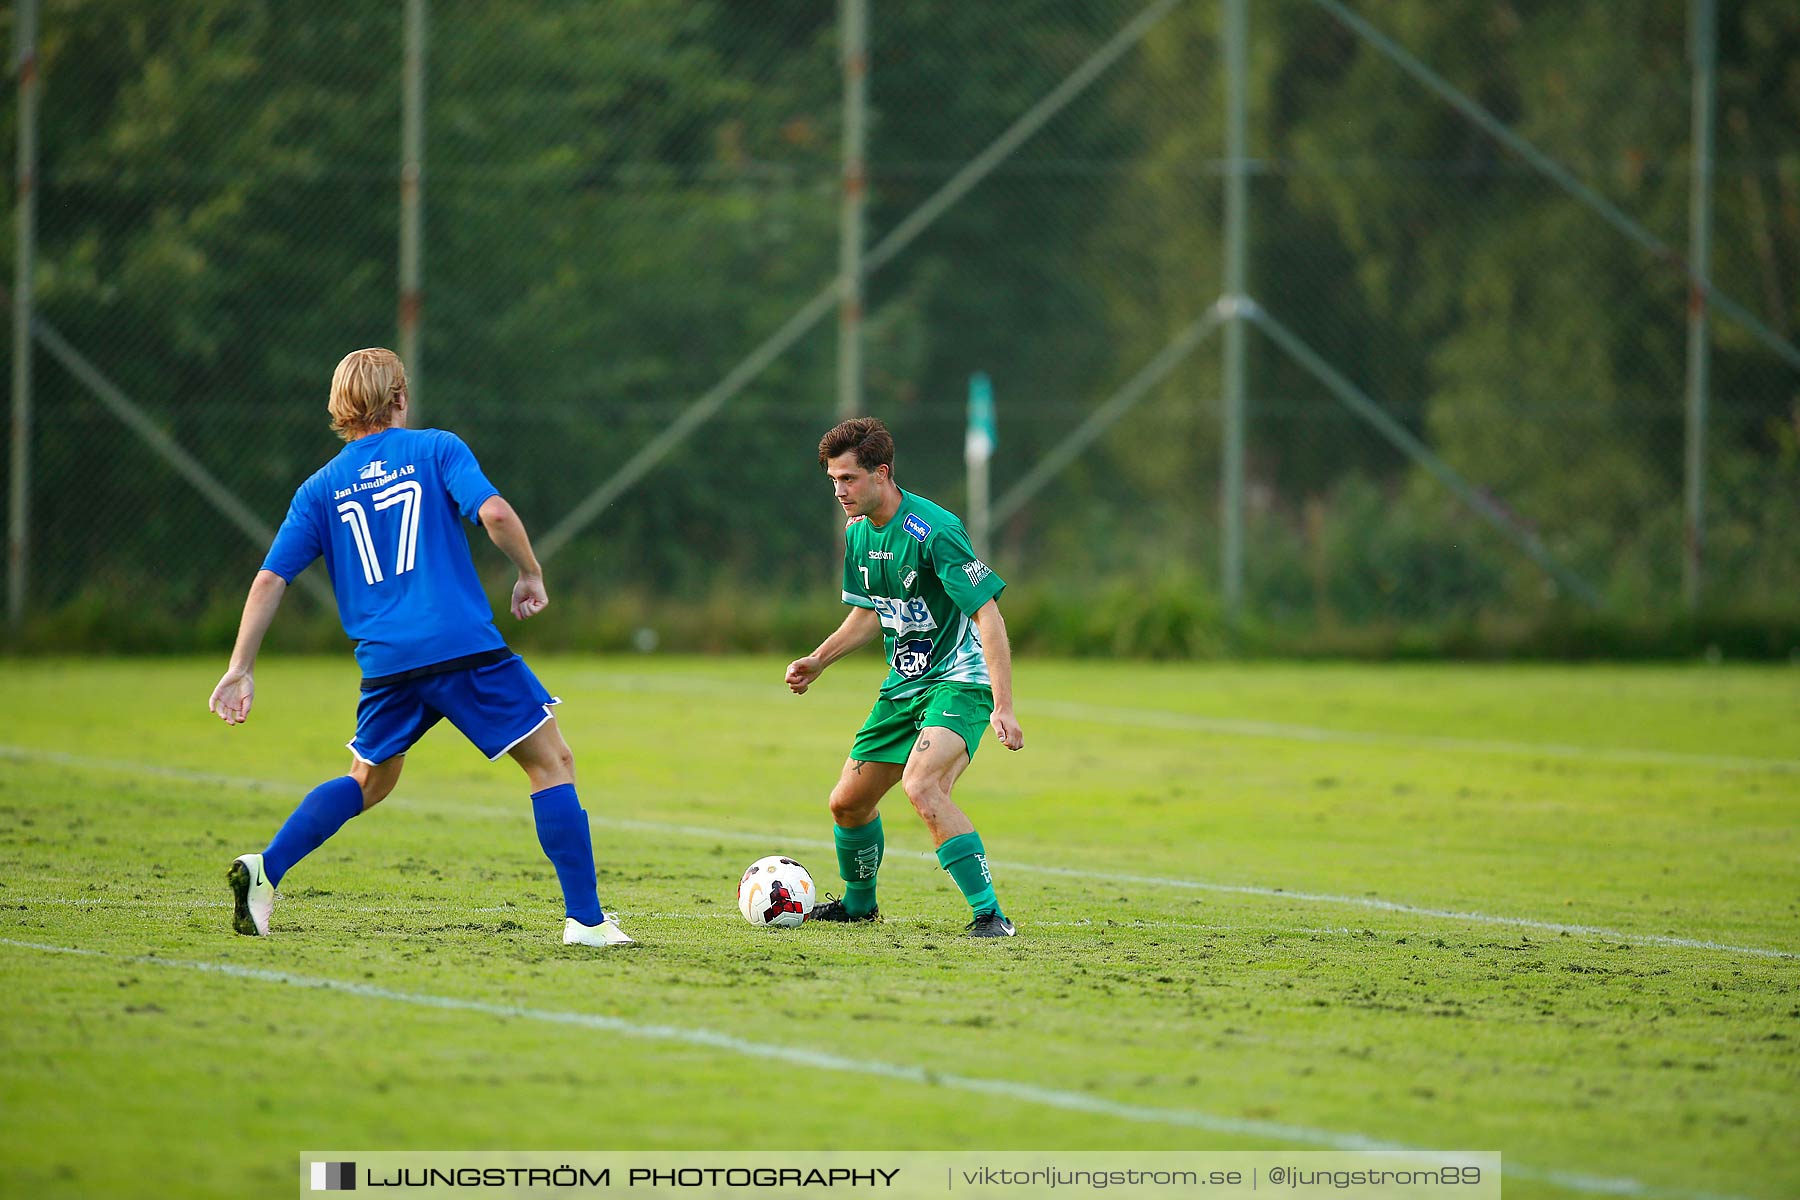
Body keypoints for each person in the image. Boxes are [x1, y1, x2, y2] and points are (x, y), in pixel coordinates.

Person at [206, 348, 631, 947]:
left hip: (387, 662)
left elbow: (270, 579)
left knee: (368, 781)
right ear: (400, 398)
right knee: (550, 762)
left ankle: (265, 871)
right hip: (460, 646)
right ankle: (586, 921)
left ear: (339, 409)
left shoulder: (318, 488)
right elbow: (497, 513)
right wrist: (530, 573)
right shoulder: (435, 449)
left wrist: (239, 667)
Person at [784, 417, 1024, 938]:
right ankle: (857, 906)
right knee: (846, 804)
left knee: (923, 785)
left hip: (958, 681)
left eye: (848, 479)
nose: (839, 491)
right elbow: (872, 612)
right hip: (902, 686)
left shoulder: (935, 532)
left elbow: (988, 615)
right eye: (833, 480)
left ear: (881, 473)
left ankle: (990, 916)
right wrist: (819, 660)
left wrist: (1003, 705)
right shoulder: (858, 534)